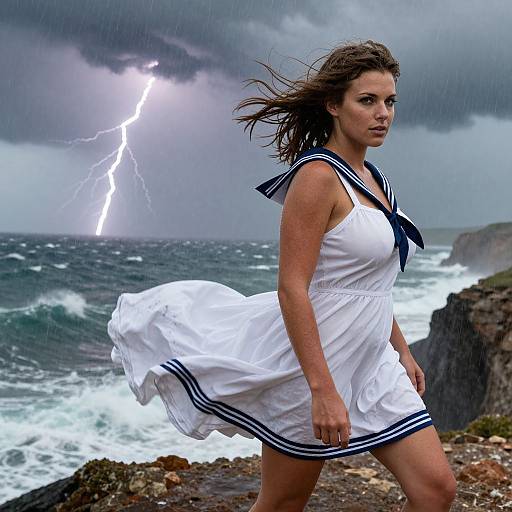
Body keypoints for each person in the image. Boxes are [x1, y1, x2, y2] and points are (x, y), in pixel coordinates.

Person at [108, 39, 457, 512]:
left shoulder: (376, 180)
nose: (383, 114)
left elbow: (368, 282)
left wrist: (400, 348)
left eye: (390, 101)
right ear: (333, 105)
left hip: (373, 364)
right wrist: (321, 390)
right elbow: (293, 288)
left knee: (436, 490)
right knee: (282, 504)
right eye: (367, 100)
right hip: (314, 365)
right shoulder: (316, 178)